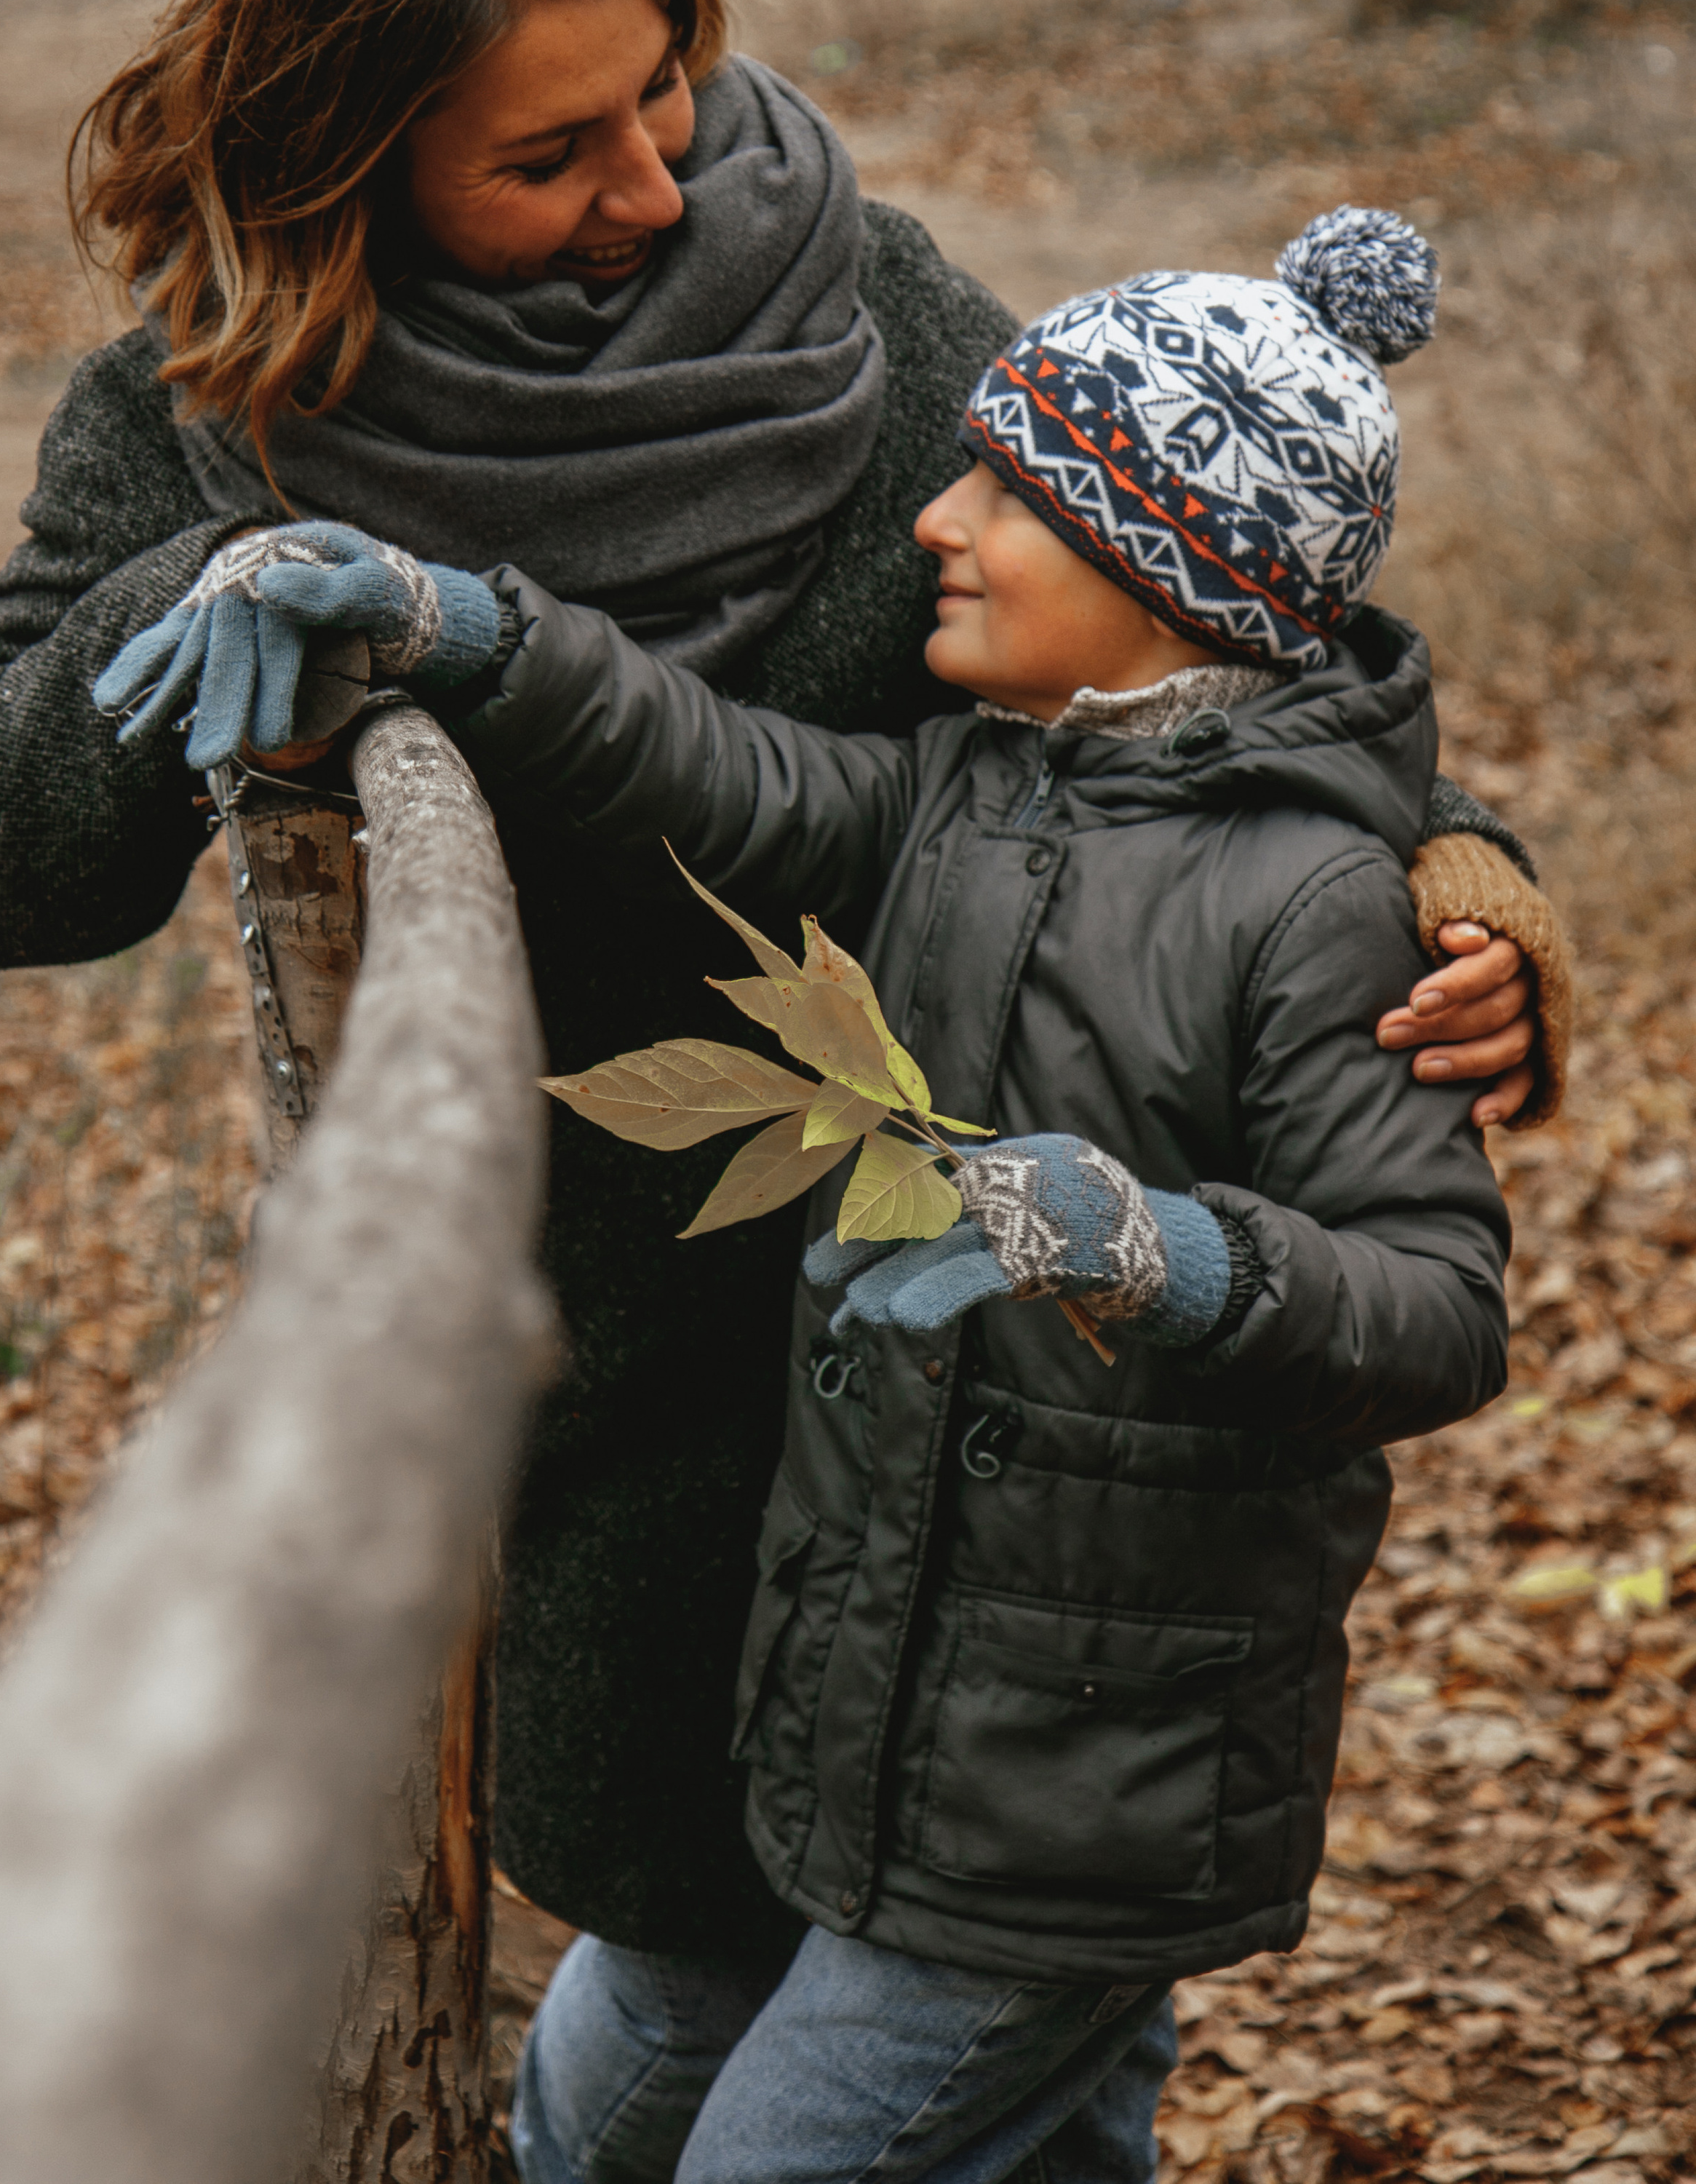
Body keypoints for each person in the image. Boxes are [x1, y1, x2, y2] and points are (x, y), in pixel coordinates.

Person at [0, 0, 1561, 2021]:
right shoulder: (211, 414)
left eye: (661, 92)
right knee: (687, 1990)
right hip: (633, 1406)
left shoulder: (831, 282)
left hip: (1012, 1349)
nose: (654, 187)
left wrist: (1461, 856)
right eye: (548, 158)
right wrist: (198, 592)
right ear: (344, 155)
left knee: (989, 2017)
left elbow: (1189, 600)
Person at [209, 209, 1508, 2180]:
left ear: (1173, 577)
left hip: (1088, 1768)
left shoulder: (1316, 907)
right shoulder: (978, 793)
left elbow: (1438, 1301)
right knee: (604, 2112)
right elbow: (721, 773)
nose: (941, 518)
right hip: (878, 1717)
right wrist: (463, 625)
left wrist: (1163, 1251)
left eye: (1011, 492)